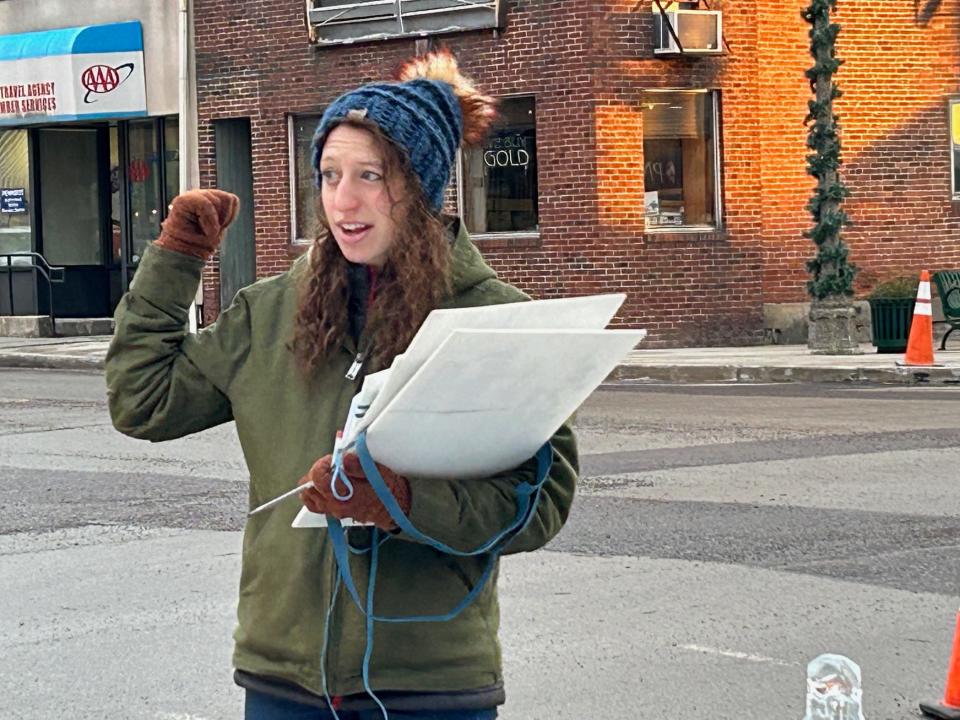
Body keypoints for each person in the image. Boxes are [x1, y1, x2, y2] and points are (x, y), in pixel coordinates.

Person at [105, 50, 578, 720]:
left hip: (429, 685)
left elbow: (540, 500)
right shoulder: (271, 311)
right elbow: (142, 401)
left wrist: (402, 502)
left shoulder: (492, 318)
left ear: (419, 187)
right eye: (329, 175)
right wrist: (176, 259)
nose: (343, 200)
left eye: (369, 176)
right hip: (283, 680)